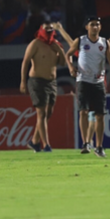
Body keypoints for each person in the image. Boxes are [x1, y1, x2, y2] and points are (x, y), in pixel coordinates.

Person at [54, 16, 110, 153]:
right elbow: (69, 51)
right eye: (92, 24)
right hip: (83, 81)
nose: (95, 27)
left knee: (99, 115)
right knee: (83, 112)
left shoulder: (104, 43)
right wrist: (71, 67)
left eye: (97, 24)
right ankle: (85, 143)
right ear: (87, 27)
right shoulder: (81, 41)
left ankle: (99, 146)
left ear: (100, 27)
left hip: (99, 82)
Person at [20, 16, 67, 152]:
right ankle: (46, 145)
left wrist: (59, 50)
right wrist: (23, 82)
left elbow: (62, 63)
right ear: (41, 30)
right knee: (41, 113)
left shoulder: (55, 45)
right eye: (46, 30)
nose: (48, 32)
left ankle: (34, 141)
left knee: (48, 113)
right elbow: (25, 62)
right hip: (37, 81)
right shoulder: (35, 44)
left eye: (50, 30)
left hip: (51, 82)